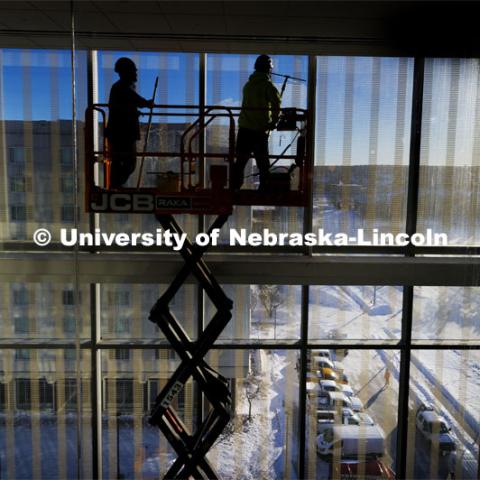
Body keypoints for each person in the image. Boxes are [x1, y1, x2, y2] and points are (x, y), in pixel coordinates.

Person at [232, 54, 281, 190]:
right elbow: (276, 104)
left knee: (240, 161)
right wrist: (274, 121)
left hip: (244, 129)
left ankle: (235, 187)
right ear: (268, 69)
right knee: (263, 162)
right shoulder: (268, 86)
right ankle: (264, 187)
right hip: (260, 130)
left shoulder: (248, 85)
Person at [105, 57, 153, 188]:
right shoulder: (121, 87)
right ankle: (116, 186)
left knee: (124, 162)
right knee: (127, 162)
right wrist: (147, 103)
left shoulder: (123, 87)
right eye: (133, 71)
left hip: (121, 133)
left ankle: (116, 186)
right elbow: (133, 99)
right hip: (121, 133)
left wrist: (135, 112)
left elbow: (124, 106)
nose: (136, 74)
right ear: (126, 72)